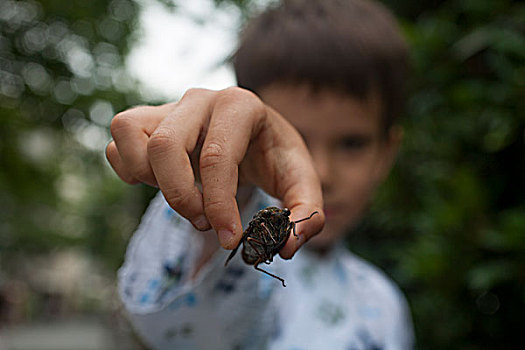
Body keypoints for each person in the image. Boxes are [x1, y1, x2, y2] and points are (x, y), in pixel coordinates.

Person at [106, 0, 414, 348]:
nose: (323, 174)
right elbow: (180, 328)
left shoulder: (386, 304)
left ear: (386, 153)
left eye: (352, 143)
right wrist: (219, 191)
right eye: (296, 140)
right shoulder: (243, 265)